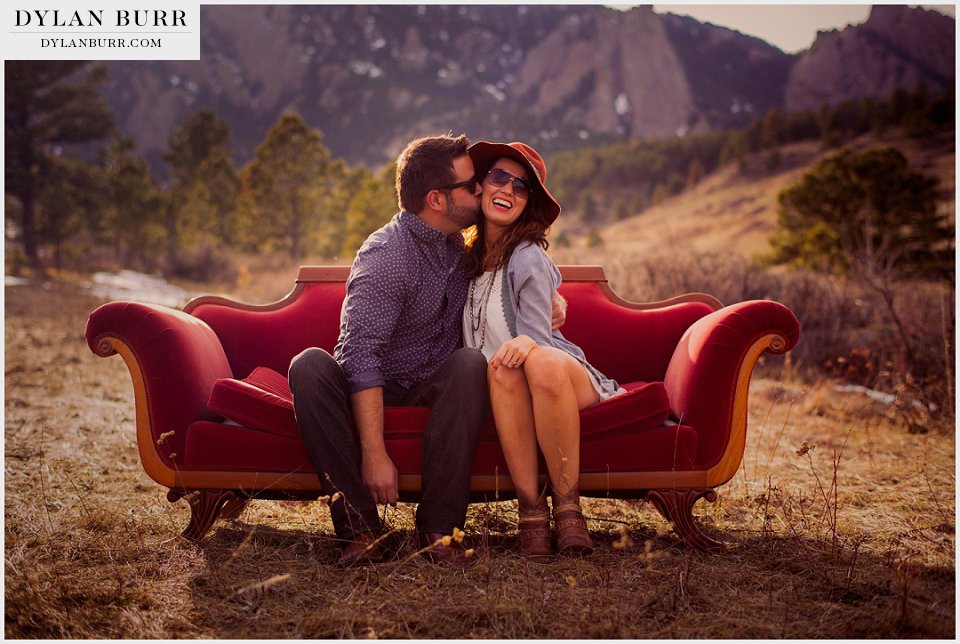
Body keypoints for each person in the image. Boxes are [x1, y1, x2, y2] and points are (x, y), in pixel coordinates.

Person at [288, 134, 567, 568]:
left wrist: (549, 299)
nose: (481, 191)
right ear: (437, 199)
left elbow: (514, 269)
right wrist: (375, 451)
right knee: (308, 367)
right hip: (377, 383)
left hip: (432, 383)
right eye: (471, 186)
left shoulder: (462, 246)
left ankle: (439, 529)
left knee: (469, 364)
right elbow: (359, 356)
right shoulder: (388, 254)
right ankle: (361, 529)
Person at [463, 141, 625, 561]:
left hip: (556, 374)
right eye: (500, 177)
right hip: (502, 382)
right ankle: (531, 508)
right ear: (480, 187)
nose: (509, 190)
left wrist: (528, 335)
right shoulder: (461, 260)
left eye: (522, 186)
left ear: (528, 203)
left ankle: (568, 506)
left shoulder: (528, 256)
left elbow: (539, 336)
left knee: (540, 361)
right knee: (501, 369)